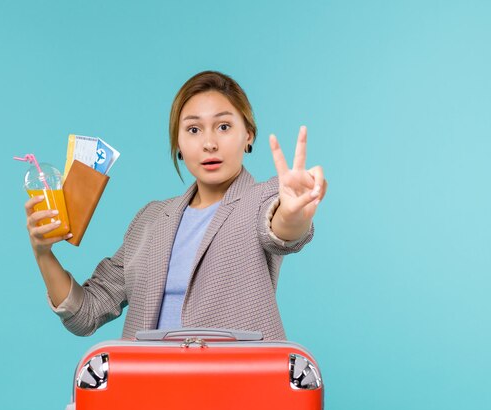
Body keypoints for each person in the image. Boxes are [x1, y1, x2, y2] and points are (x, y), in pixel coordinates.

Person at [24, 70, 327, 341]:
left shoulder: (265, 197)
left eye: (223, 127)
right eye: (193, 130)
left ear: (247, 135)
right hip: (152, 392)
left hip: (236, 392)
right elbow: (86, 314)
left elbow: (280, 230)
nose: (209, 143)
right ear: (178, 145)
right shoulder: (150, 220)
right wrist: (43, 253)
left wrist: (292, 213)